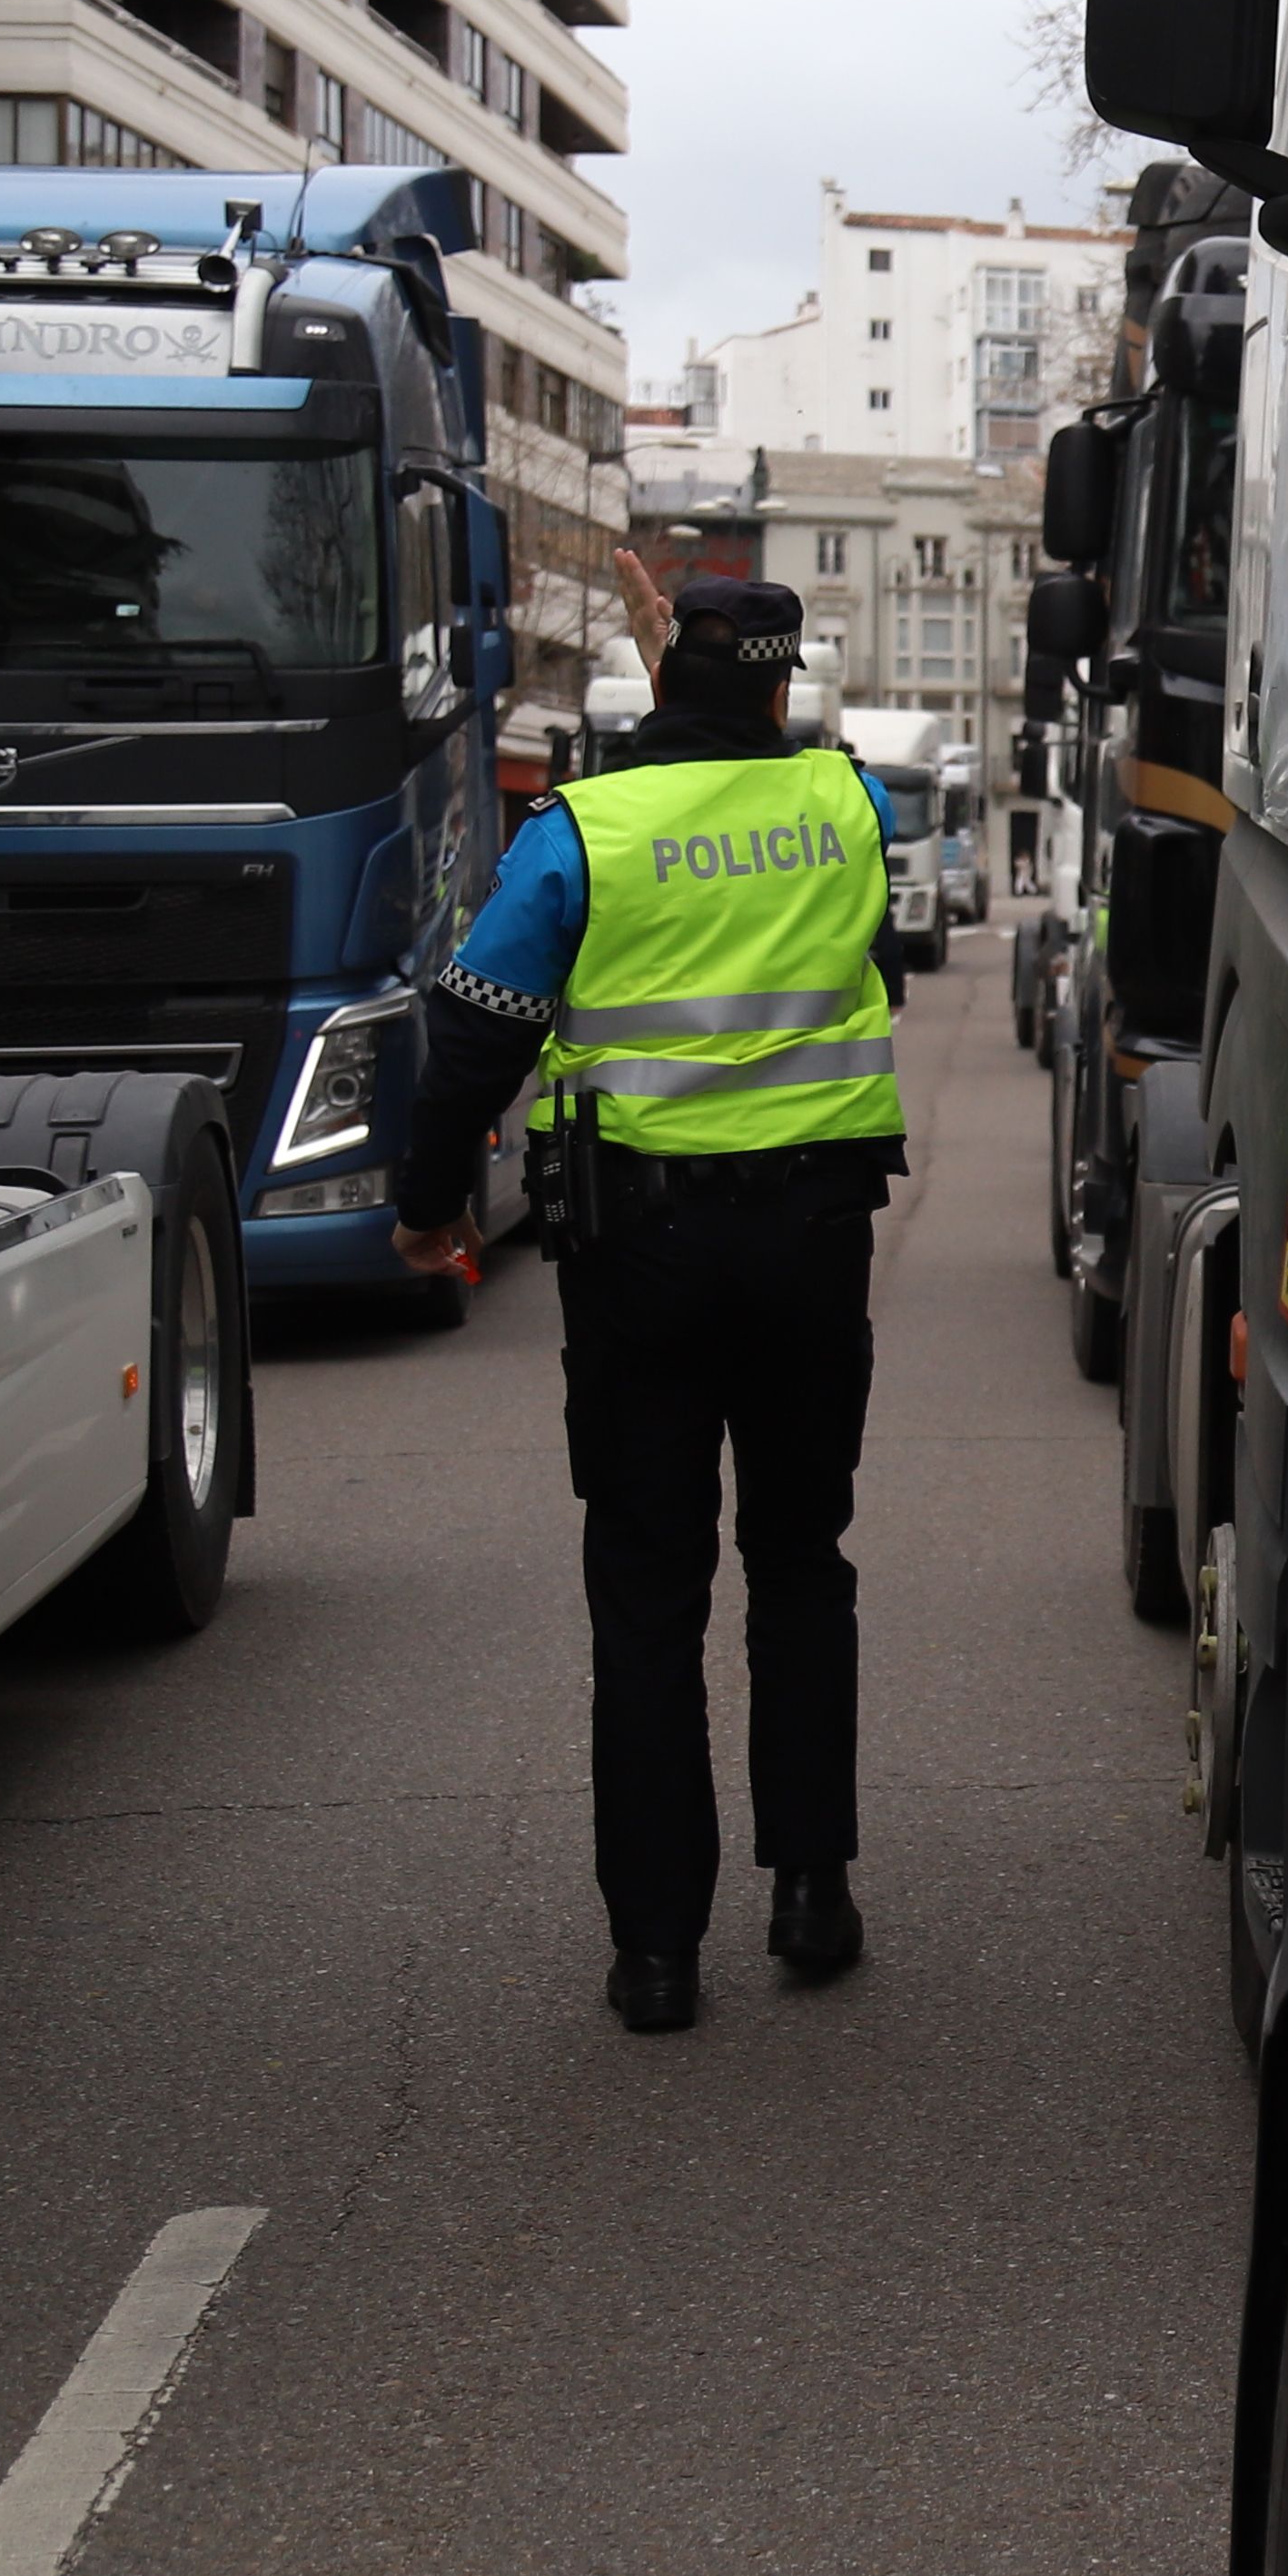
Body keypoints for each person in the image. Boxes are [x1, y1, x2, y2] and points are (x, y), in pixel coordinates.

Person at [390, 556, 907, 2035]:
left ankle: (658, 1955)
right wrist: (698, 676)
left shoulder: (580, 834)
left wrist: (431, 1211)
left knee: (648, 1595)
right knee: (802, 1563)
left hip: (644, 1264)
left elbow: (476, 1039)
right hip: (814, 1244)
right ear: (784, 684)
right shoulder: (848, 810)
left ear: (661, 678)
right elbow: (781, 798)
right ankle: (812, 1892)